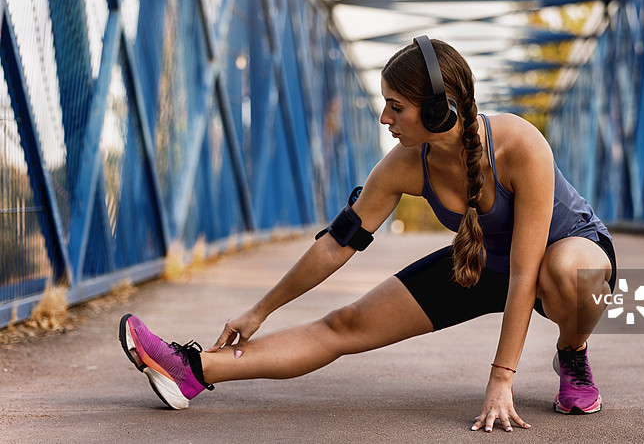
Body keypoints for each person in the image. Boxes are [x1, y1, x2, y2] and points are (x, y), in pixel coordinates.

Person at [119, 36, 616, 432]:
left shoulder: (520, 145)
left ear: (439, 109)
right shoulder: (403, 165)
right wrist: (261, 308)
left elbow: (525, 271)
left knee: (568, 271)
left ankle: (572, 355)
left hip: (560, 260)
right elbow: (335, 247)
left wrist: (501, 380)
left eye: (396, 107)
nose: (385, 119)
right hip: (483, 261)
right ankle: (191, 371)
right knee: (344, 324)